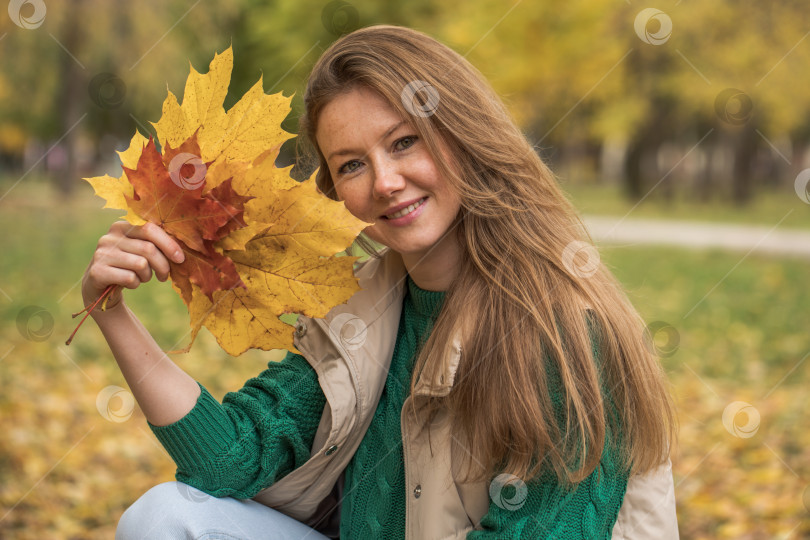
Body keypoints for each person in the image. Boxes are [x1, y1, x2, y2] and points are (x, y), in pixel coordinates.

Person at [84, 25, 679, 540]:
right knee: (164, 517)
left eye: (403, 142)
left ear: (463, 134)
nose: (385, 181)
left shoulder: (564, 329)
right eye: (350, 164)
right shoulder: (359, 305)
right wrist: (111, 312)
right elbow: (235, 459)